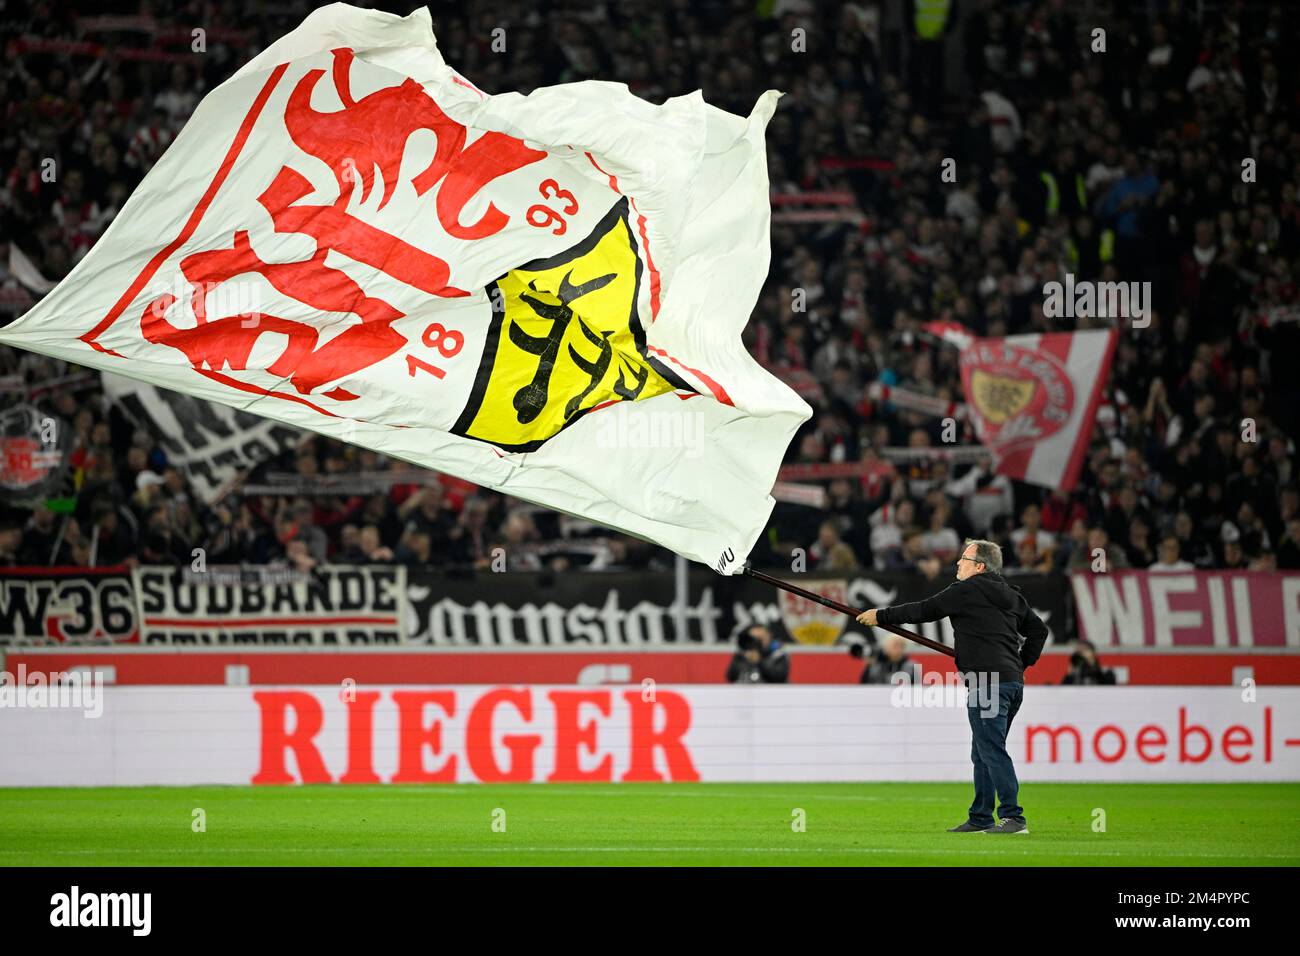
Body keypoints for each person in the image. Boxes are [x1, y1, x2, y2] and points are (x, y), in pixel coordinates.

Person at [856, 539, 1048, 834]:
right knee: (983, 751)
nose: (958, 563)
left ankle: (1013, 818)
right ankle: (981, 817)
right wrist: (1021, 664)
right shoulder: (1010, 594)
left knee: (991, 750)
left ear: (980, 566)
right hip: (1010, 683)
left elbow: (923, 610)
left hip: (987, 682)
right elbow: (1039, 629)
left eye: (964, 559)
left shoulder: (967, 590)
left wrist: (880, 616)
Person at [725, 625, 790, 684]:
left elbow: (779, 678)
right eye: (753, 638)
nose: (756, 642)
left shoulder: (777, 653)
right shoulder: (742, 653)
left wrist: (759, 661)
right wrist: (745, 660)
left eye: (760, 638)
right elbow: (731, 677)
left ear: (769, 637)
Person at [857, 633, 922, 685]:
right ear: (886, 647)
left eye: (901, 645)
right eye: (895, 645)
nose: (898, 648)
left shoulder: (912, 666)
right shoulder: (874, 664)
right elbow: (863, 685)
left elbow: (917, 689)